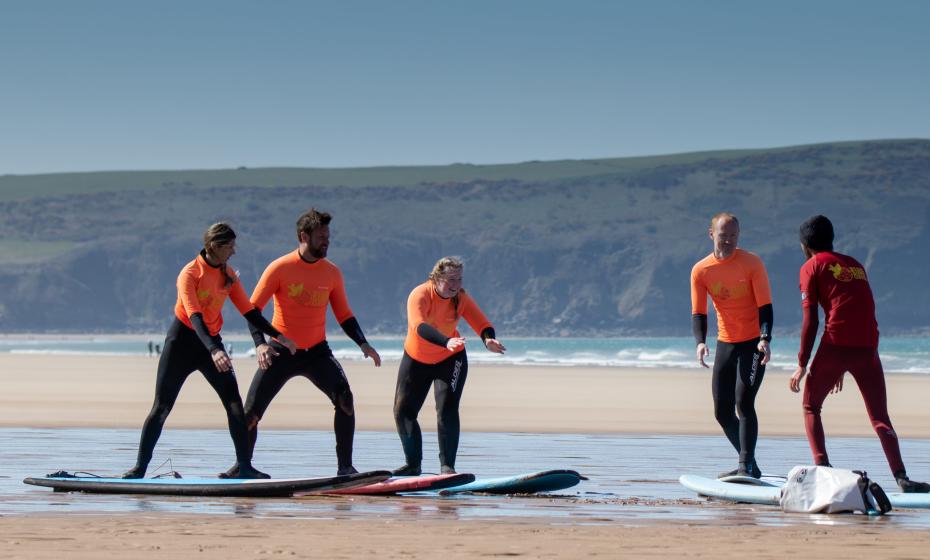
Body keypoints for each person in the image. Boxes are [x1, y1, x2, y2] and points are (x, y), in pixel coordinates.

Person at [123, 223, 296, 479]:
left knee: (235, 405)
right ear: (214, 246)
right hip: (182, 343)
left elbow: (248, 311)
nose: (233, 252)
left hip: (211, 344)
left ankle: (244, 467)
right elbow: (194, 317)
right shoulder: (190, 274)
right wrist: (215, 350)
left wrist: (278, 336)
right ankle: (140, 468)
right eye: (229, 246)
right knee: (162, 407)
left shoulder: (228, 275)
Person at [221, 208, 381, 478]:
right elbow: (253, 310)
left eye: (328, 236)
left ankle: (345, 467)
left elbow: (344, 314)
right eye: (321, 236)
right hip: (281, 349)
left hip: (317, 351)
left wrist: (363, 344)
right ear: (303, 236)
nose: (326, 241)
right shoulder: (280, 267)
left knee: (345, 400)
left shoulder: (331, 273)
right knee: (250, 415)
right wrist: (260, 344)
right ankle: (242, 467)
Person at [789, 215, 929, 493]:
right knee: (880, 417)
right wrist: (841, 366)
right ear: (832, 239)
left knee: (810, 406)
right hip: (867, 347)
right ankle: (901, 477)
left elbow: (811, 321)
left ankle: (823, 470)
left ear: (804, 244)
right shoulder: (855, 265)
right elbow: (859, 309)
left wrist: (802, 364)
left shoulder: (811, 266)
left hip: (835, 344)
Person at [392, 257, 506, 476]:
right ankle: (413, 465)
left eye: (460, 279)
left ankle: (447, 468)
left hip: (450, 359)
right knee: (403, 411)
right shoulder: (420, 294)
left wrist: (488, 339)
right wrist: (445, 341)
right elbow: (419, 326)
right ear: (436, 278)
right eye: (451, 279)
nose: (456, 284)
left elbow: (481, 322)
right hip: (417, 358)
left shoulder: (460, 298)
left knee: (447, 409)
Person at [690, 212, 773, 479]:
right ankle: (750, 464)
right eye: (724, 236)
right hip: (726, 342)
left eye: (733, 236)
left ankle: (745, 466)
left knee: (744, 402)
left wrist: (765, 338)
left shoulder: (752, 263)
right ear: (711, 234)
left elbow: (765, 306)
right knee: (721, 411)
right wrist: (700, 342)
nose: (728, 241)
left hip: (752, 343)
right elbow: (699, 312)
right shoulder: (701, 270)